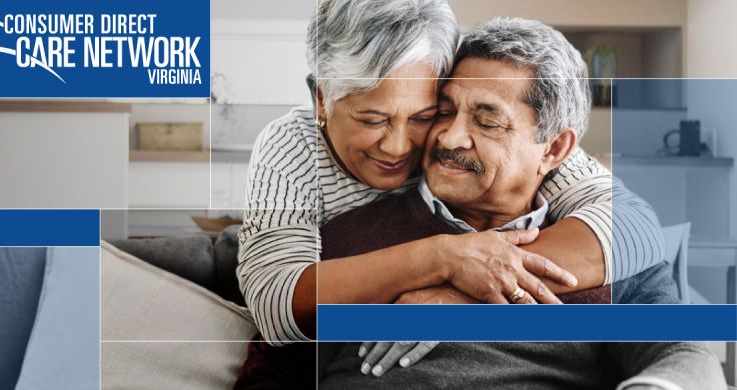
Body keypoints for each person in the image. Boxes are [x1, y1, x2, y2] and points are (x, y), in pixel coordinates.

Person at [236, 0, 664, 379]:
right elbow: (277, 310)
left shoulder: (546, 175)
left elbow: (637, 227)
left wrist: (464, 289)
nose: (401, 146)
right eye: (372, 120)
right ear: (322, 100)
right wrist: (443, 257)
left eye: (425, 115)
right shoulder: (295, 152)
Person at [314, 17, 726, 389]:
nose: (450, 137)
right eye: (444, 110)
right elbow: (276, 368)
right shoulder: (347, 235)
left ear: (553, 149)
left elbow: (687, 356)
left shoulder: (609, 257)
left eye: (487, 120)